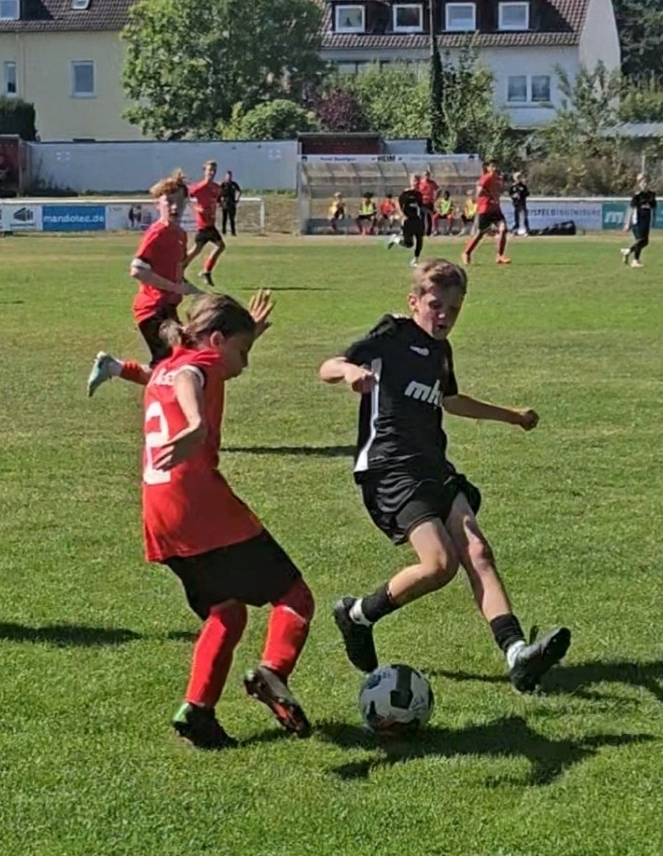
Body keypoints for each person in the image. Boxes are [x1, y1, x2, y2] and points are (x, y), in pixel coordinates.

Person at [318, 258, 570, 693]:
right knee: (439, 565)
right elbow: (328, 365)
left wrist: (512, 416)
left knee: (478, 550)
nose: (444, 317)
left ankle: (517, 655)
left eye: (454, 309)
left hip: (434, 466)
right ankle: (357, 615)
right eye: (436, 306)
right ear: (413, 302)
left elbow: (451, 401)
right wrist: (349, 372)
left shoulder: (441, 352)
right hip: (390, 467)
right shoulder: (392, 334)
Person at [139, 291, 314, 748]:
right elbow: (194, 377)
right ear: (216, 341)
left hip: (160, 515)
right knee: (295, 597)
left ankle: (197, 711)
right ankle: (274, 672)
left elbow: (186, 371)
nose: (245, 363)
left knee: (227, 612)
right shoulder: (199, 364)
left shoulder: (167, 364)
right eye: (242, 351)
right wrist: (196, 423)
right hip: (201, 508)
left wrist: (248, 333)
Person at [87, 171, 202, 396]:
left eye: (179, 202)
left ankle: (112, 366)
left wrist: (194, 291)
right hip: (152, 309)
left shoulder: (180, 234)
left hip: (166, 309)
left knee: (178, 362)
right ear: (157, 204)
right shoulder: (157, 233)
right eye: (168, 202)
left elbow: (174, 274)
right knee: (172, 368)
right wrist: (176, 288)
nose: (174, 207)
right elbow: (137, 270)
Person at [185, 160, 225, 286]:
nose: (212, 173)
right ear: (204, 171)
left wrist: (221, 204)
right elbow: (186, 198)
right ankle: (182, 271)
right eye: (209, 170)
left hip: (210, 224)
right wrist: (197, 208)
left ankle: (204, 272)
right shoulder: (199, 188)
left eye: (214, 170)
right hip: (202, 224)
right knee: (197, 250)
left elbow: (217, 200)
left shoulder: (217, 188)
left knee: (202, 249)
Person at [462, 161, 511, 266]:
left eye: (496, 166)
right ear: (488, 168)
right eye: (492, 166)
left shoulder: (498, 179)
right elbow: (479, 192)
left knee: (503, 229)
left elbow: (500, 191)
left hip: (496, 209)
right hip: (485, 209)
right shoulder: (486, 178)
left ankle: (500, 256)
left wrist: (500, 189)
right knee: (479, 234)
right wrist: (485, 195)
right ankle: (466, 253)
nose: (495, 168)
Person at [387, 174, 425, 267]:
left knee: (419, 239)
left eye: (417, 181)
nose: (416, 182)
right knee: (409, 244)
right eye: (414, 180)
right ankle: (395, 239)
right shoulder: (405, 194)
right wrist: (402, 216)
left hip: (417, 220)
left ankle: (415, 260)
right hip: (408, 220)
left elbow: (420, 207)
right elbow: (398, 205)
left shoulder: (419, 194)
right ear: (410, 181)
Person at [622, 174, 657, 268]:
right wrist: (627, 223)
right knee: (642, 240)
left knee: (643, 241)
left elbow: (653, 208)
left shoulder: (651, 195)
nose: (644, 184)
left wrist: (653, 219)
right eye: (642, 182)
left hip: (646, 220)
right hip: (637, 220)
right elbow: (631, 209)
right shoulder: (637, 196)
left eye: (646, 182)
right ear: (639, 184)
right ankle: (630, 254)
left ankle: (633, 259)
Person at [219, 171, 242, 237]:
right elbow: (219, 192)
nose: (229, 177)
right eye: (227, 176)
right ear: (225, 176)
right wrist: (220, 201)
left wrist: (237, 199)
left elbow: (239, 191)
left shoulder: (234, 184)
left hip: (231, 203)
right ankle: (224, 231)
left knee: (232, 218)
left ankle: (233, 232)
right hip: (225, 203)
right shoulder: (223, 184)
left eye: (230, 176)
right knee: (224, 218)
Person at [417, 170, 439, 236]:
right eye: (425, 175)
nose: (426, 176)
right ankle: (421, 231)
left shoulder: (432, 183)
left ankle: (428, 232)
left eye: (427, 175)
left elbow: (438, 189)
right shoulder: (420, 182)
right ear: (423, 176)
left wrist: (435, 198)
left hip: (429, 202)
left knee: (429, 217)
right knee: (422, 217)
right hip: (422, 203)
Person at [509, 172, 530, 236]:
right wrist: (514, 196)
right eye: (517, 177)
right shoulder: (513, 186)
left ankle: (526, 230)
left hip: (522, 203)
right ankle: (515, 230)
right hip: (516, 204)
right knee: (516, 218)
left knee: (524, 217)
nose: (518, 179)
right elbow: (510, 194)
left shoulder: (523, 186)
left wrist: (521, 194)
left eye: (519, 177)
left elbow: (527, 193)